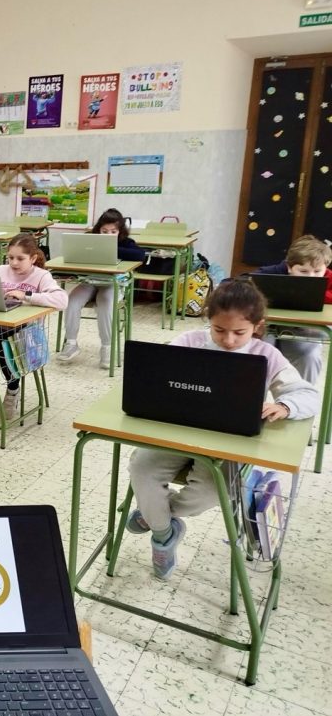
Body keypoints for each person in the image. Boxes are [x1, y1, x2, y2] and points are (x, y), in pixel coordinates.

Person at [126, 279, 319, 580]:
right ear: (209, 320)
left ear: (257, 326)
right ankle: (163, 535)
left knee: (210, 492)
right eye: (219, 330)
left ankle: (155, 516)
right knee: (142, 466)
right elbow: (156, 373)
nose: (228, 340)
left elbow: (308, 395)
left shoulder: (267, 355)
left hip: (228, 444)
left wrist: (285, 406)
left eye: (239, 332)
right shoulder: (189, 341)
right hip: (177, 431)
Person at [0, 233, 68, 420]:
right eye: (10, 257)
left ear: (33, 258)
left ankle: (12, 391)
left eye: (20, 258)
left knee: (4, 341)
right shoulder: (1, 270)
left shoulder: (41, 276)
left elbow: (62, 300)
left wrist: (26, 295)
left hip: (27, 336)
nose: (14, 263)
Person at [57, 209, 146, 369]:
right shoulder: (90, 239)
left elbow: (139, 255)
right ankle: (71, 343)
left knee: (105, 304)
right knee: (72, 301)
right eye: (104, 231)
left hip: (112, 284)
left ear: (120, 231)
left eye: (113, 232)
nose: (108, 235)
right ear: (98, 229)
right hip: (90, 281)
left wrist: (109, 248)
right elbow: (73, 252)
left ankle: (107, 347)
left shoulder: (126, 243)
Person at [254, 234, 332, 384]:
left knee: (309, 357)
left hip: (305, 328)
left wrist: (319, 295)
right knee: (262, 353)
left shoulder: (329, 276)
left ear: (325, 268)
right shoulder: (274, 272)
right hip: (269, 324)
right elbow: (241, 282)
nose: (311, 277)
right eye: (303, 271)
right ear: (289, 267)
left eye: (317, 272)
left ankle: (304, 395)